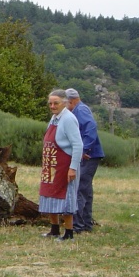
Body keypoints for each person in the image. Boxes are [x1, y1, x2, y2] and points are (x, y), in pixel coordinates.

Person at [39, 89, 83, 241]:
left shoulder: (69, 119)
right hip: (51, 165)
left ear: (64, 103)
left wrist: (73, 167)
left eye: (55, 103)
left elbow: (77, 145)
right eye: (50, 103)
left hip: (64, 165)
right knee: (50, 195)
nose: (52, 106)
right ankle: (54, 229)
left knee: (66, 199)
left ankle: (69, 232)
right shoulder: (54, 118)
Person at [65, 88, 105, 233]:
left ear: (71, 101)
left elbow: (91, 128)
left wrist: (83, 150)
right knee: (86, 189)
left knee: (80, 188)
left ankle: (78, 225)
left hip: (89, 155)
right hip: (91, 154)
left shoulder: (80, 110)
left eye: (65, 102)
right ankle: (87, 223)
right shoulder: (80, 110)